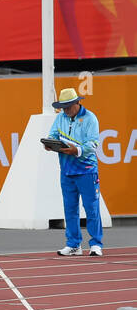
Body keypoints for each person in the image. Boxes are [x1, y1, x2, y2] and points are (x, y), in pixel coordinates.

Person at [45, 88, 103, 257]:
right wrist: (49, 144)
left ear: (78, 103)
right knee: (70, 209)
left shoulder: (91, 118)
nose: (66, 110)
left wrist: (76, 150)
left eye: (69, 106)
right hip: (67, 171)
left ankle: (96, 244)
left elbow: (93, 144)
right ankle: (73, 245)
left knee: (92, 208)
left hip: (86, 171)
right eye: (63, 107)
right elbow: (53, 135)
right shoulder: (60, 118)